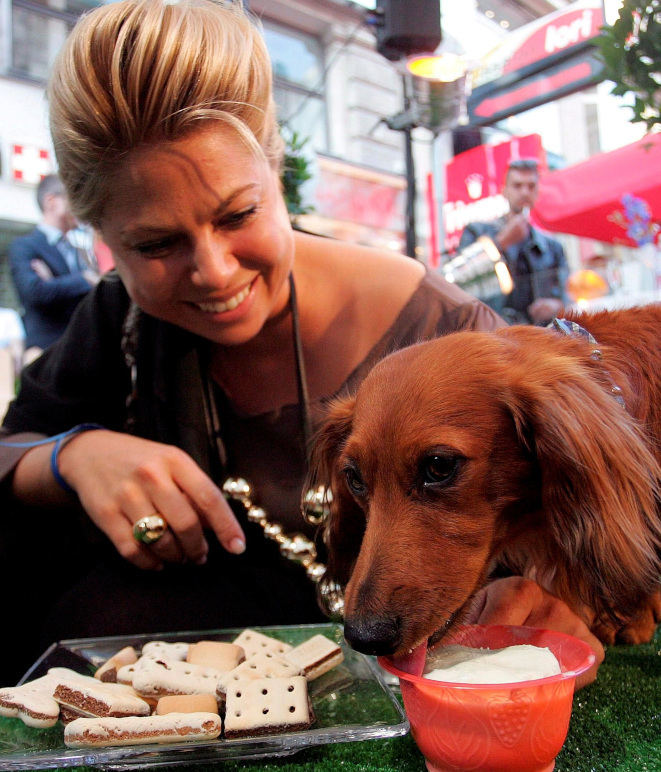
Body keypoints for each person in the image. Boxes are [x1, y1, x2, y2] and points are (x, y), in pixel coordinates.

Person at [0, 0, 602, 687]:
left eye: (238, 214)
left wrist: (544, 590)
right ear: (98, 235)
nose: (215, 272)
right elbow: (13, 447)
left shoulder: (448, 334)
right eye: (156, 244)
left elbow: (570, 530)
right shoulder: (120, 321)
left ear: (275, 170)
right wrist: (72, 454)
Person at [458, 158, 570, 326]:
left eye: (531, 186)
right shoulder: (477, 232)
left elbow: (567, 296)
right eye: (517, 186)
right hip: (491, 336)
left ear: (537, 191)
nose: (524, 192)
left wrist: (556, 305)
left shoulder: (553, 247)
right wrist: (501, 242)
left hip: (538, 338)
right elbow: (461, 279)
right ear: (505, 191)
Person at [9, 174, 98, 360]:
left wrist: (56, 284)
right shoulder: (24, 246)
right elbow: (35, 292)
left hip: (86, 349)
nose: (80, 207)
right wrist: (85, 279)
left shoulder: (82, 251)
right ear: (51, 201)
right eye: (73, 198)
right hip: (47, 353)